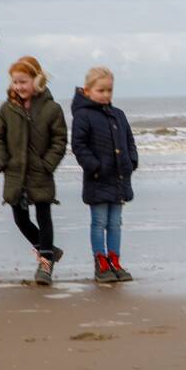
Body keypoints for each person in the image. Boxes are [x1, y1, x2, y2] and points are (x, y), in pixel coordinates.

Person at [0, 56, 68, 286]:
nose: (19, 87)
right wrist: (2, 161)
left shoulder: (52, 109)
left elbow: (60, 140)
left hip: (41, 173)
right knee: (20, 219)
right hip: (14, 173)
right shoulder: (8, 108)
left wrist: (48, 165)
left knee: (44, 216)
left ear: (37, 80)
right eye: (15, 82)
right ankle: (49, 250)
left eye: (23, 81)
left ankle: (45, 264)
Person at [71, 66, 138, 283]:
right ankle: (101, 262)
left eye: (109, 90)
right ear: (88, 91)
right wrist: (95, 167)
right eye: (101, 90)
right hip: (98, 179)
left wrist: (132, 161)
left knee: (115, 222)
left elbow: (129, 141)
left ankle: (114, 260)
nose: (106, 95)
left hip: (119, 178)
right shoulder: (82, 116)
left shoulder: (118, 115)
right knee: (99, 222)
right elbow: (79, 146)